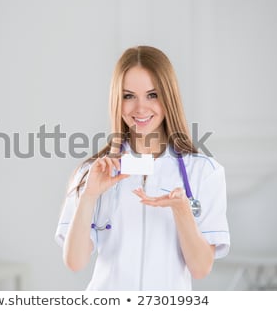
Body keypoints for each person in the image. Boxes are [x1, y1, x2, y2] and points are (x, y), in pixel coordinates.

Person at [55, 45, 230, 290]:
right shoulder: (92, 172)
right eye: (128, 96)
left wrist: (182, 211)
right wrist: (89, 196)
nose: (140, 108)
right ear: (117, 99)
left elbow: (201, 269)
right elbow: (75, 261)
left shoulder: (204, 172)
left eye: (152, 94)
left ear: (169, 97)